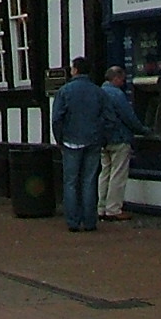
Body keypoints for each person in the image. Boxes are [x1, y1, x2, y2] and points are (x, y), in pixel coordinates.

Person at [52, 56, 105, 232]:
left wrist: (60, 139)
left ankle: (73, 222)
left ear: (75, 70)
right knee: (89, 181)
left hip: (70, 141)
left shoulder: (64, 91)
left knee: (71, 183)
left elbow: (57, 118)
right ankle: (90, 222)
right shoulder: (98, 91)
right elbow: (107, 117)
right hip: (93, 140)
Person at [98, 65, 148, 222]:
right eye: (122, 79)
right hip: (119, 138)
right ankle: (113, 209)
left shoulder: (98, 92)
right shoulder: (116, 94)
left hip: (102, 139)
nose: (124, 82)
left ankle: (101, 207)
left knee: (105, 173)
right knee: (118, 174)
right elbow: (128, 116)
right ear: (116, 78)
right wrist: (144, 130)